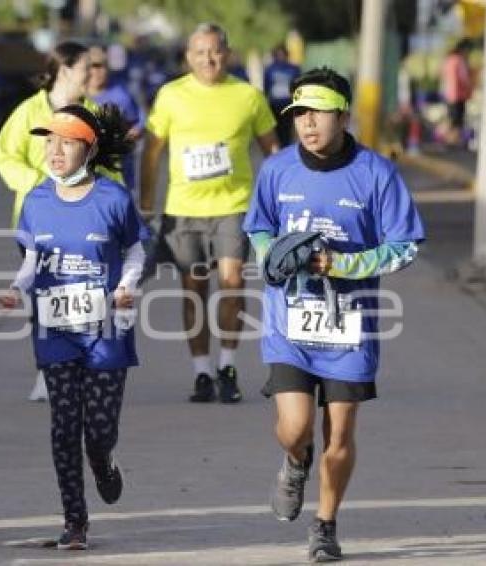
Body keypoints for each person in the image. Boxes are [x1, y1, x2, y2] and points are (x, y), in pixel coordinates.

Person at [242, 67, 424, 562]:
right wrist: (270, 253)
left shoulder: (376, 173)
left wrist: (344, 263)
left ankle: (325, 524)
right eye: (299, 113)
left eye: (317, 112)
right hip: (290, 321)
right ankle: (293, 460)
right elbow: (257, 227)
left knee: (339, 434)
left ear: (344, 115)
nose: (307, 123)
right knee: (297, 428)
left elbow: (405, 246)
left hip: (349, 323)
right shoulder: (277, 170)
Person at [0, 104, 147, 550]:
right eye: (49, 141)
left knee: (97, 432)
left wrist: (125, 286)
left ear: (90, 147)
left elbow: (137, 252)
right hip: (55, 328)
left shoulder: (113, 198)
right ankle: (75, 521)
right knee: (64, 426)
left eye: (66, 141)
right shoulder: (37, 200)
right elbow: (31, 259)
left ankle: (103, 462)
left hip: (106, 329)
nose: (55, 150)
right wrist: (16, 288)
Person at [139, 23, 278, 404]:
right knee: (194, 290)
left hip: (233, 207)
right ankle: (202, 371)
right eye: (200, 52)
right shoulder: (170, 96)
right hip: (184, 211)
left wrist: (282, 198)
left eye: (215, 51)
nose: (208, 59)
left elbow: (274, 152)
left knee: (232, 283)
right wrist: (146, 201)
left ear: (227, 54)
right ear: (188, 57)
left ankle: (228, 366)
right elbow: (151, 152)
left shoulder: (248, 96)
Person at [0, 41, 124, 402]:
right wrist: (41, 187)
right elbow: (5, 158)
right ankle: (48, 370)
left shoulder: (94, 112)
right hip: (38, 223)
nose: (94, 74)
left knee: (89, 294)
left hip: (90, 223)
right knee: (45, 297)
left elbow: (112, 166)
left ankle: (87, 363)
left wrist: (120, 209)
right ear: (65, 70)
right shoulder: (28, 112)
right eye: (88, 67)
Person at [87, 45, 144, 192]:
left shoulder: (121, 95)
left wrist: (127, 138)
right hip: (85, 179)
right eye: (92, 66)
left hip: (119, 178)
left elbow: (138, 123)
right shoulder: (74, 96)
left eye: (102, 66)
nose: (97, 71)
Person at [263, 45, 301, 147]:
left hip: (288, 102)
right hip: (274, 103)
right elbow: (266, 86)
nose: (281, 56)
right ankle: (279, 147)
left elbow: (298, 85)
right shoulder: (269, 69)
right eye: (278, 54)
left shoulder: (294, 68)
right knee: (276, 128)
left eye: (282, 54)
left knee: (287, 128)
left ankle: (286, 146)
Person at [440, 38, 473, 146]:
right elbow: (463, 78)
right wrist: (470, 88)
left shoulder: (448, 59)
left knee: (451, 118)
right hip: (458, 95)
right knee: (457, 121)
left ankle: (447, 139)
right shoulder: (459, 60)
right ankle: (452, 140)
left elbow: (442, 75)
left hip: (448, 94)